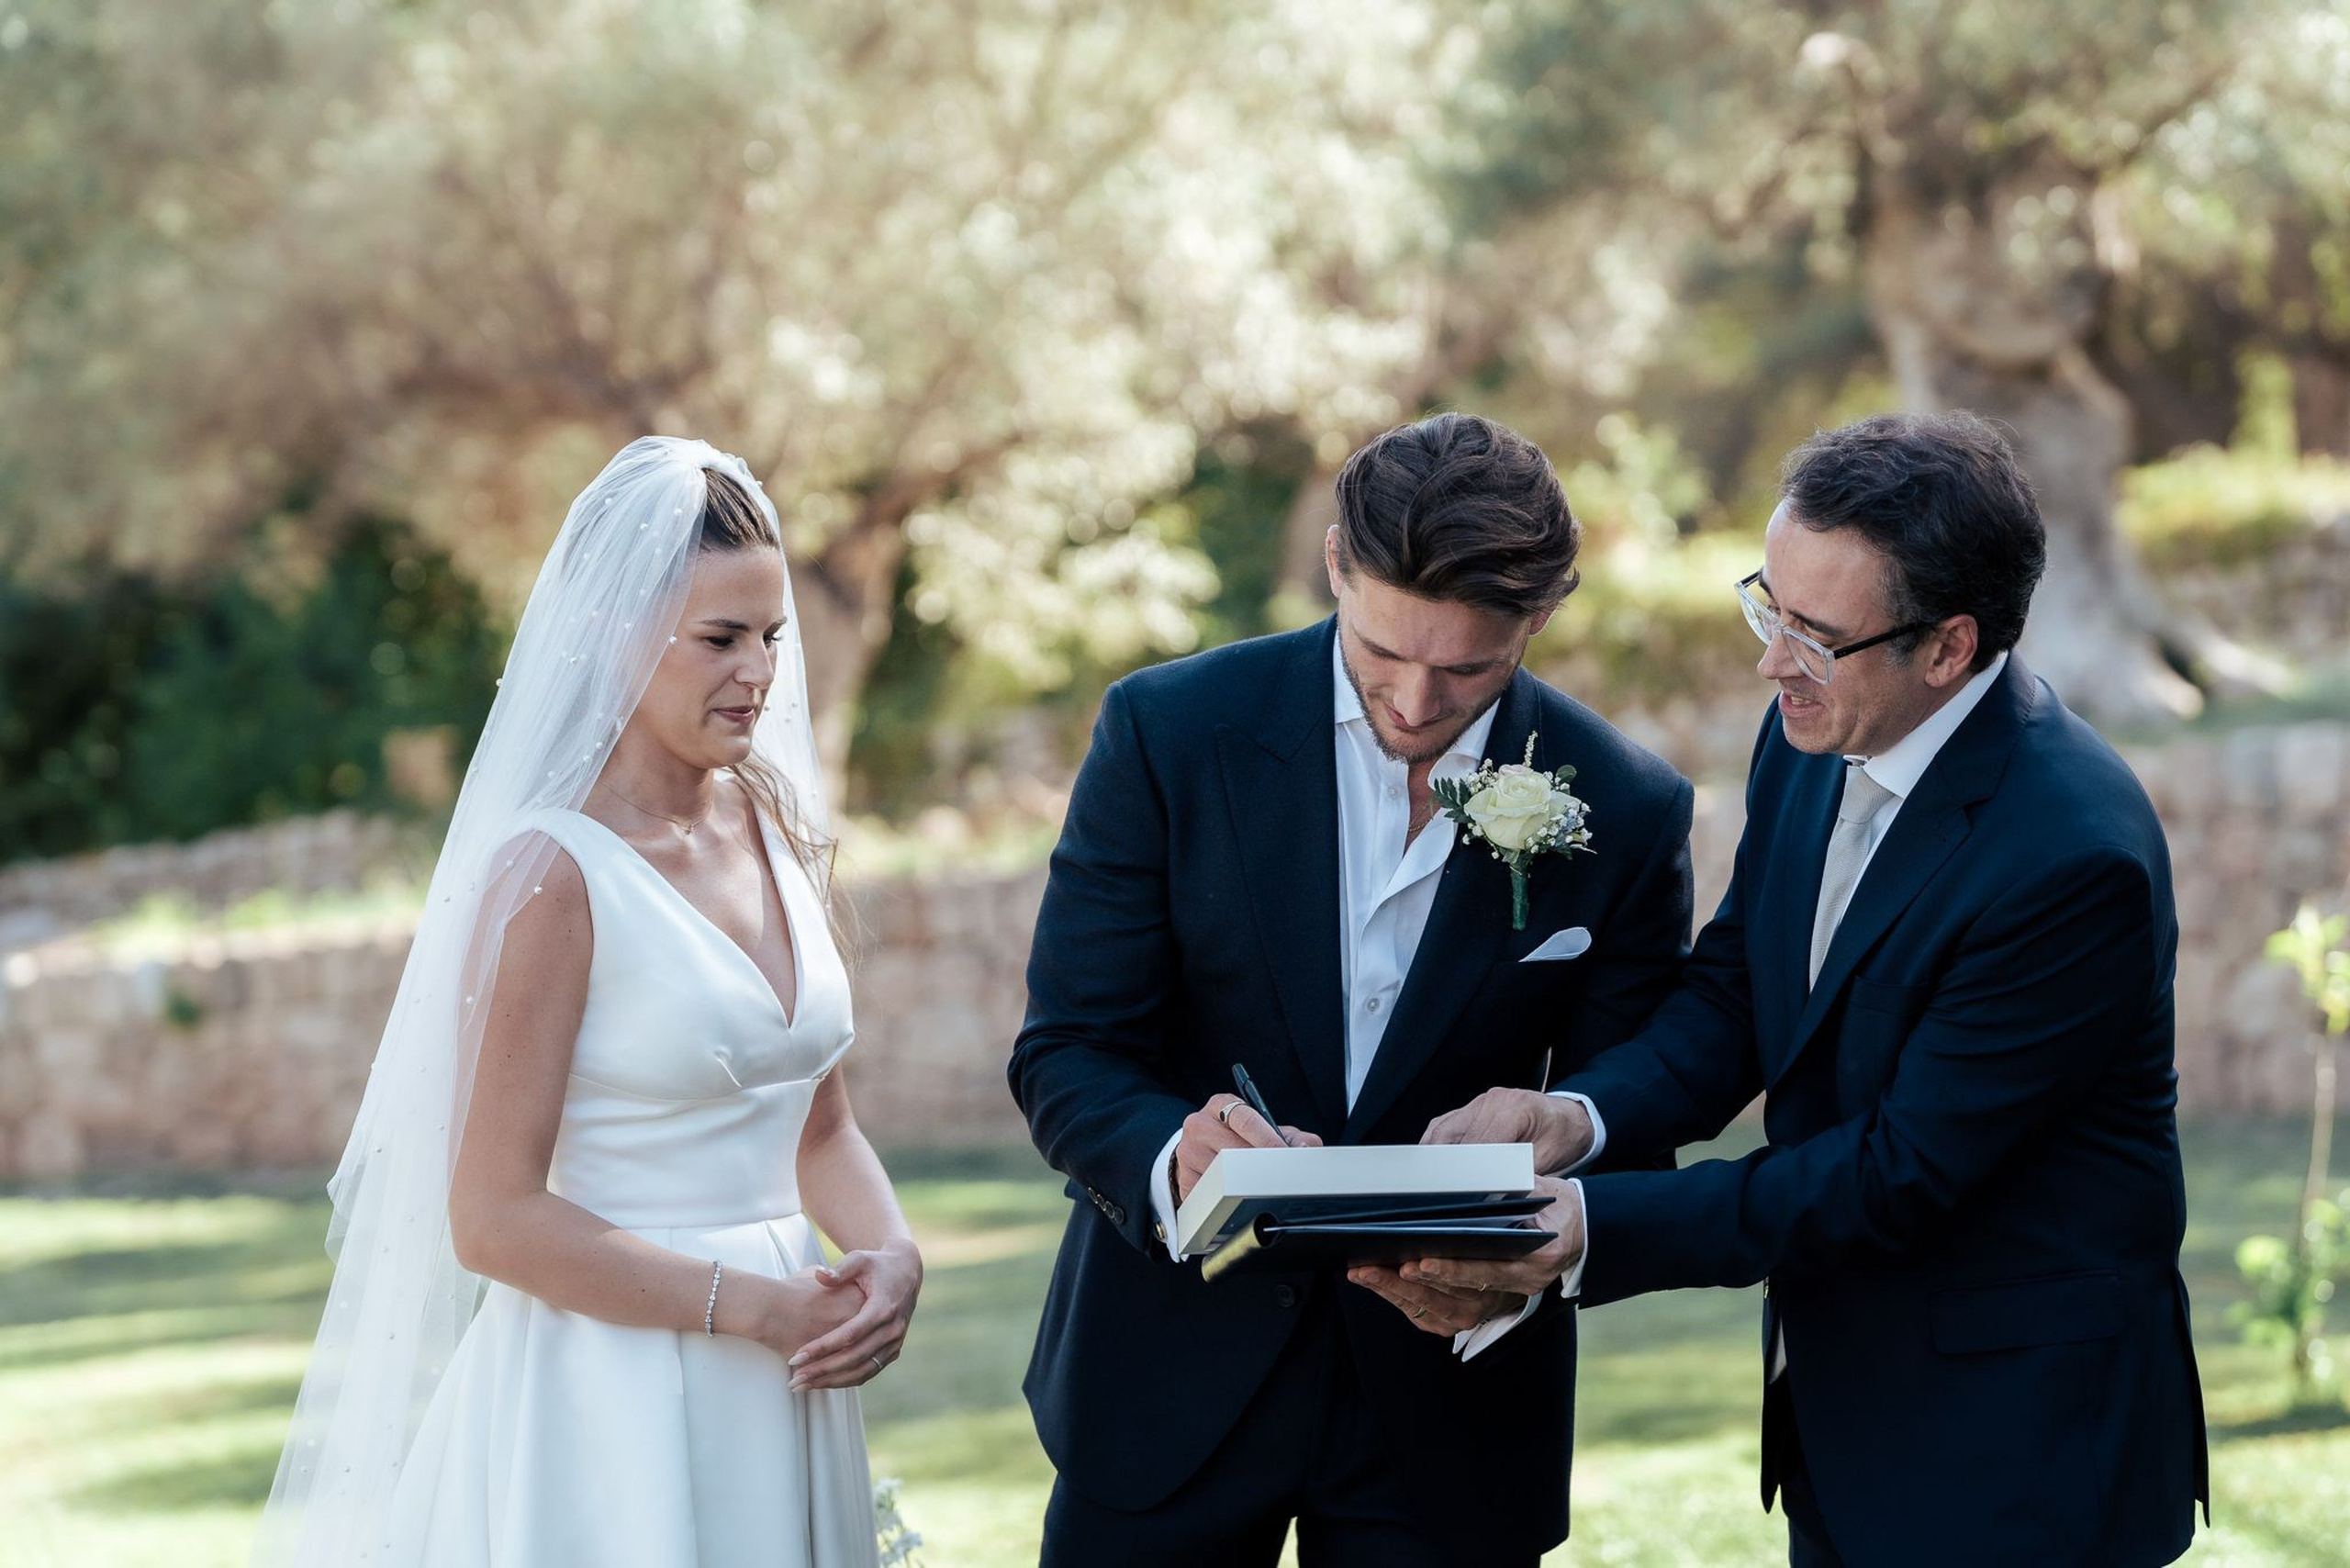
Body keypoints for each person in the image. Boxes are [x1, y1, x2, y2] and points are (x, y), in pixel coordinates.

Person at [1415, 412, 2210, 1565]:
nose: (1769, 659)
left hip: (2022, 1449)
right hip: (1839, 1414)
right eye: (1767, 607)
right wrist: (1578, 1119)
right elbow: (1738, 987)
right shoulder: (1811, 729)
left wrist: (1585, 1229)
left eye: (1814, 633)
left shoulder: (2068, 855)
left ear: (1946, 647)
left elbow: (1901, 1173)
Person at [1009, 412, 1695, 1565]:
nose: (1419, 703)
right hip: (1167, 1375)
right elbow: (1067, 1051)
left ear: (1536, 619)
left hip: (1453, 1410)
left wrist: (1513, 1273)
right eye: (1382, 653)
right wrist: (1173, 1156)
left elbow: (1625, 1103)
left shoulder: (1626, 806)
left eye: (1468, 667)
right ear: (1335, 564)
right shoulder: (1168, 734)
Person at [251, 437, 919, 1567]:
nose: (757, 672)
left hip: (788, 1377)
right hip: (609, 1394)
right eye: (719, 639)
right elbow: (495, 1217)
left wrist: (891, 1254)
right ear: (614, 633)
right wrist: (750, 1305)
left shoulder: (782, 834)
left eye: (771, 637)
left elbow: (823, 1126)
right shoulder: (551, 877)